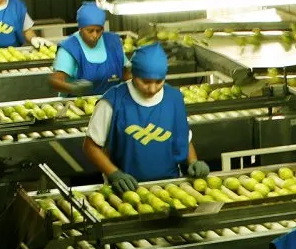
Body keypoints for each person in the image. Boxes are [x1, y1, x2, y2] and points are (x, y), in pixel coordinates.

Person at [84, 43, 209, 192]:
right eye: (145, 82)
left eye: (159, 82)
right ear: (133, 74)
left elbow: (183, 140)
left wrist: (193, 162)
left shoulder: (174, 99)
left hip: (171, 187)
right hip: (126, 189)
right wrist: (114, 173)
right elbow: (90, 146)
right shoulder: (113, 101)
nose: (152, 89)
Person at [49, 2, 129, 96]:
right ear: (81, 28)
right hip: (76, 105)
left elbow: (126, 73)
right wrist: (72, 88)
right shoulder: (70, 47)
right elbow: (55, 80)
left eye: (99, 30)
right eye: (90, 31)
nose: (95, 35)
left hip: (110, 102)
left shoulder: (113, 42)